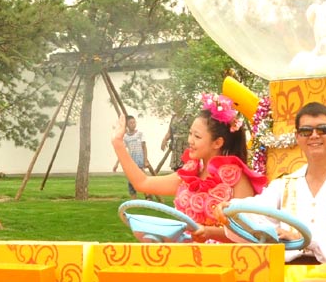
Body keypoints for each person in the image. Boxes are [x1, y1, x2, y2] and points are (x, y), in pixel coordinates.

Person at [229, 101, 326, 264]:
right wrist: (229, 207)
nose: (314, 135)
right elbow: (252, 212)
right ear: (297, 137)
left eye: (322, 129)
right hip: (287, 275)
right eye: (306, 131)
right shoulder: (284, 185)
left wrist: (305, 238)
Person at [112, 93, 267, 242]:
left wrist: (210, 233)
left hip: (223, 261)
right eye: (190, 134)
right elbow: (142, 183)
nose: (190, 141)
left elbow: (248, 233)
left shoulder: (237, 180)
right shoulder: (189, 174)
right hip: (186, 255)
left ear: (217, 143)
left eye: (197, 136)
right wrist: (118, 144)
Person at [112, 115, 149, 197]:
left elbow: (144, 147)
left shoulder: (140, 134)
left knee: (143, 178)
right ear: (127, 125)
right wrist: (116, 164)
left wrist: (145, 160)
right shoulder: (125, 137)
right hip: (130, 162)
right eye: (130, 123)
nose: (133, 124)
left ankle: (148, 196)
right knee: (131, 181)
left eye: (134, 122)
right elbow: (122, 151)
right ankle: (134, 199)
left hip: (139, 161)